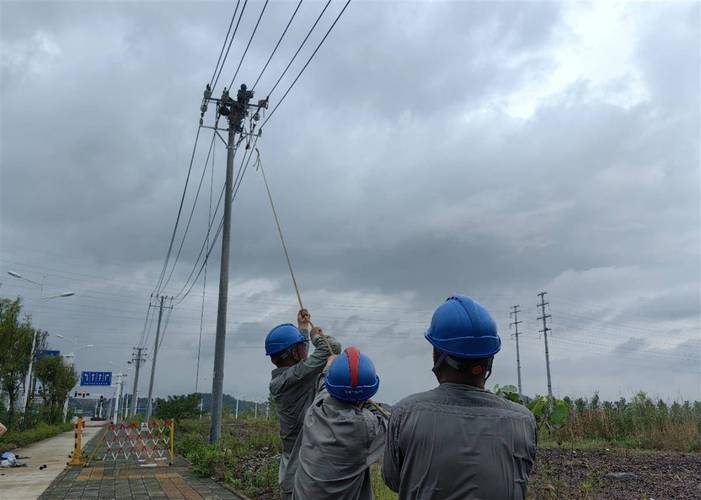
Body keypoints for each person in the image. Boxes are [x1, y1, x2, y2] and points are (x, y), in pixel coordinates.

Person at [383, 295, 537, 500]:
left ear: (437, 356)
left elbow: (394, 480)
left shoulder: (404, 414)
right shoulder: (523, 421)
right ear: (489, 361)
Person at [293, 347, 388, 500]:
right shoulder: (365, 427)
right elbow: (389, 423)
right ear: (369, 393)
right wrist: (365, 398)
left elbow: (324, 385)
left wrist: (330, 364)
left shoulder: (317, 407)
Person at [267, 308, 341, 500]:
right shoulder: (296, 376)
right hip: (303, 476)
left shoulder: (286, 377)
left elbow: (302, 362)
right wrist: (316, 337)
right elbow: (332, 348)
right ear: (292, 352)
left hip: (293, 474)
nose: (304, 348)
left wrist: (301, 329)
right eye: (301, 346)